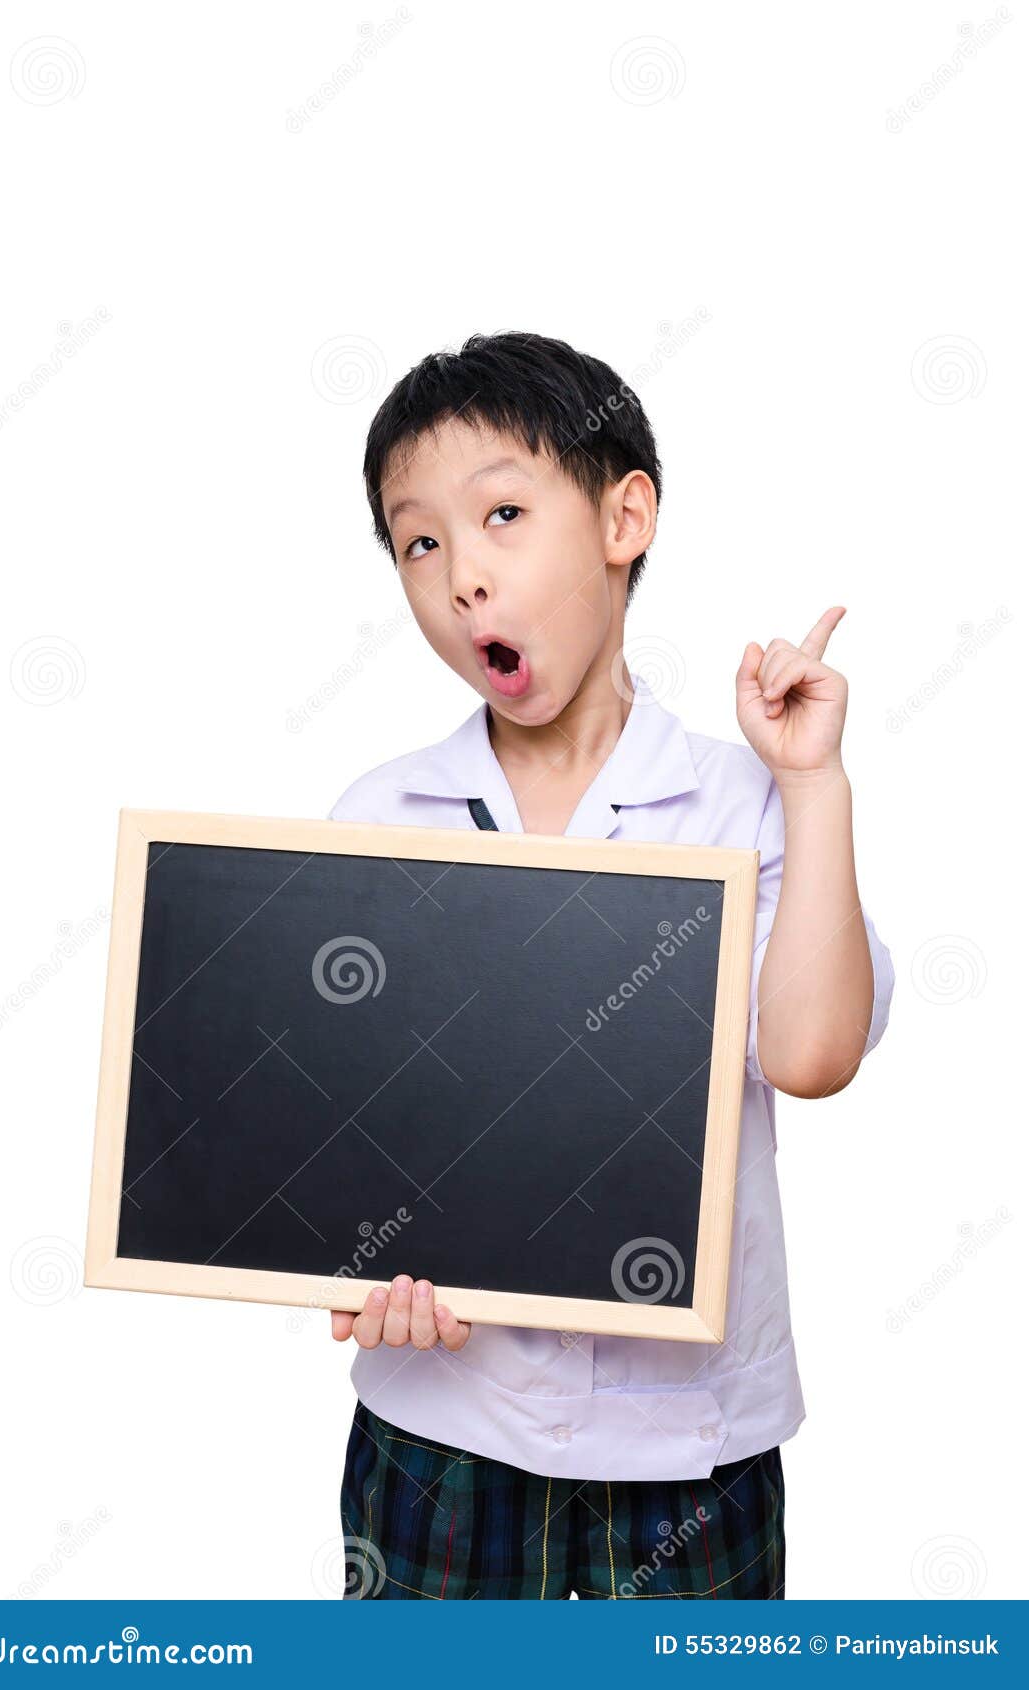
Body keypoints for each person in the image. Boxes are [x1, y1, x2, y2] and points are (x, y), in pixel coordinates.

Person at [325, 332, 895, 1599]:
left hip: (691, 1453)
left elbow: (810, 1055)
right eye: (418, 543)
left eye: (504, 516)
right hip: (438, 1436)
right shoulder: (381, 815)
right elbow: (340, 1135)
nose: (462, 577)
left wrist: (813, 783)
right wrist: (356, 1266)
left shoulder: (739, 805)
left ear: (624, 515)